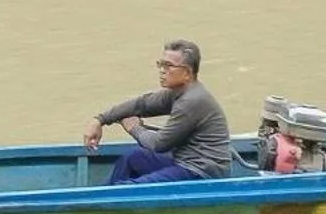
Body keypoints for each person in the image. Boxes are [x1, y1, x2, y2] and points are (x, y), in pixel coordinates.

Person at [85, 40, 232, 184]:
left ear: (187, 72)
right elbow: (141, 104)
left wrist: (135, 128)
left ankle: (108, 200)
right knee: (132, 157)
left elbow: (160, 144)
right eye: (161, 64)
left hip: (202, 172)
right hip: (183, 162)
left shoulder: (191, 101)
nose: (162, 70)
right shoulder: (175, 93)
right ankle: (104, 196)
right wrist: (99, 120)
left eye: (169, 66)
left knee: (130, 188)